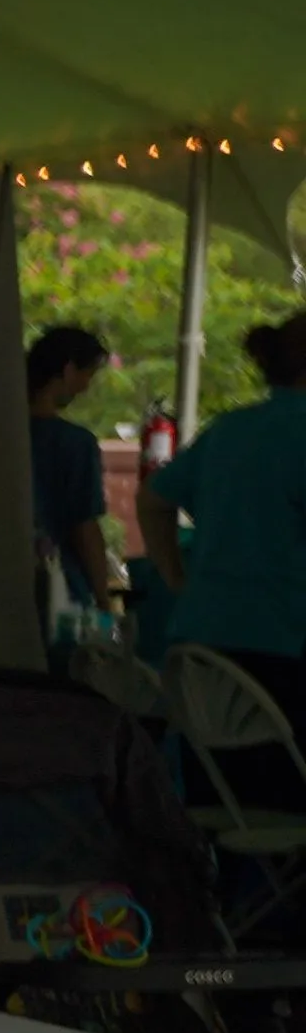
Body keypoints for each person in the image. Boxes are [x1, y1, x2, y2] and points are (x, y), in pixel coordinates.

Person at [141, 311, 306, 731]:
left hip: (203, 662)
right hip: (286, 660)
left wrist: (178, 580)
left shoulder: (230, 430)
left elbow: (153, 499)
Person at [27, 323, 122, 628]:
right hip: (63, 593)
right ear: (68, 370)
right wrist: (103, 599)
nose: (86, 386)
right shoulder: (74, 443)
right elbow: (85, 528)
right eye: (87, 375)